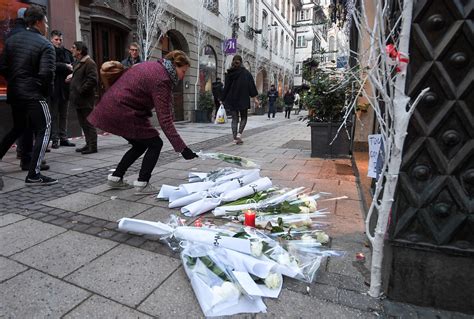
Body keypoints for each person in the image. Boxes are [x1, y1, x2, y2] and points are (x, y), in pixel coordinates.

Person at [88, 50, 198, 195]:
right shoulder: (163, 79)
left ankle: (116, 178)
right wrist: (183, 149)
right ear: (175, 65)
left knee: (140, 144)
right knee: (155, 143)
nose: (183, 76)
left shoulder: (154, 66)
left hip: (111, 106)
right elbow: (165, 120)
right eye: (183, 71)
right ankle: (142, 183)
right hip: (123, 110)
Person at [0, 5, 57, 186]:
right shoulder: (45, 44)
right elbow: (47, 74)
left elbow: (2, 67)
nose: (46, 26)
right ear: (39, 22)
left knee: (18, 128)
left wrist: (15, 81)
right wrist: (42, 92)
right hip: (34, 94)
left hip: (15, 92)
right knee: (45, 128)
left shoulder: (11, 41)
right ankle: (34, 173)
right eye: (45, 22)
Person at [68, 41, 99, 154]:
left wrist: (81, 90)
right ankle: (88, 144)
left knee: (89, 123)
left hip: (85, 98)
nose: (71, 49)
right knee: (83, 123)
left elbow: (92, 80)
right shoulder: (78, 62)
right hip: (78, 98)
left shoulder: (89, 62)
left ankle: (93, 146)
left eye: (73, 47)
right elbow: (81, 78)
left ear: (79, 51)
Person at [221, 55, 259, 145]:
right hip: (243, 99)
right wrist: (255, 99)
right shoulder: (246, 73)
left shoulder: (229, 73)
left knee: (234, 119)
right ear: (241, 62)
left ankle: (235, 138)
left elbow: (226, 88)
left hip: (232, 99)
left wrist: (222, 99)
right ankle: (239, 135)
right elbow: (251, 87)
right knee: (244, 117)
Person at [49, 30, 75, 149]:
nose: (59, 42)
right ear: (51, 39)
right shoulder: (48, 51)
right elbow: (51, 66)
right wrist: (64, 66)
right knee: (54, 115)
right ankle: (55, 139)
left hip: (65, 88)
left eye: (60, 39)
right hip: (54, 88)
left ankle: (63, 137)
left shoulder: (67, 53)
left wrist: (71, 72)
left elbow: (74, 66)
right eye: (56, 39)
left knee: (64, 114)